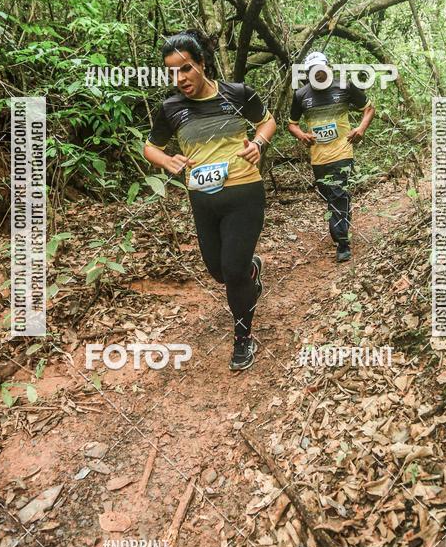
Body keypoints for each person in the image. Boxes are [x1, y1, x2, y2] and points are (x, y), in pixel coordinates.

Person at [143, 29, 277, 371]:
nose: (180, 78)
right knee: (218, 270)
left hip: (244, 191)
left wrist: (257, 144)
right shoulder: (171, 108)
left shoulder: (237, 93)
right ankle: (251, 271)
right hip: (203, 198)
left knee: (231, 271)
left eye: (186, 68)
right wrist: (166, 161)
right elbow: (150, 147)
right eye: (172, 72)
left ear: (202, 63)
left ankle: (243, 337)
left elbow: (267, 121)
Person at [288, 51, 375, 262]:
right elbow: (292, 123)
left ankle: (342, 243)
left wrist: (361, 129)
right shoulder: (301, 95)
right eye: (313, 71)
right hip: (318, 157)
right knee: (331, 194)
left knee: (336, 193)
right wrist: (301, 135)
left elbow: (369, 108)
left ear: (328, 67)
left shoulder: (344, 86)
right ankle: (343, 217)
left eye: (321, 69)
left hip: (342, 151)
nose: (318, 74)